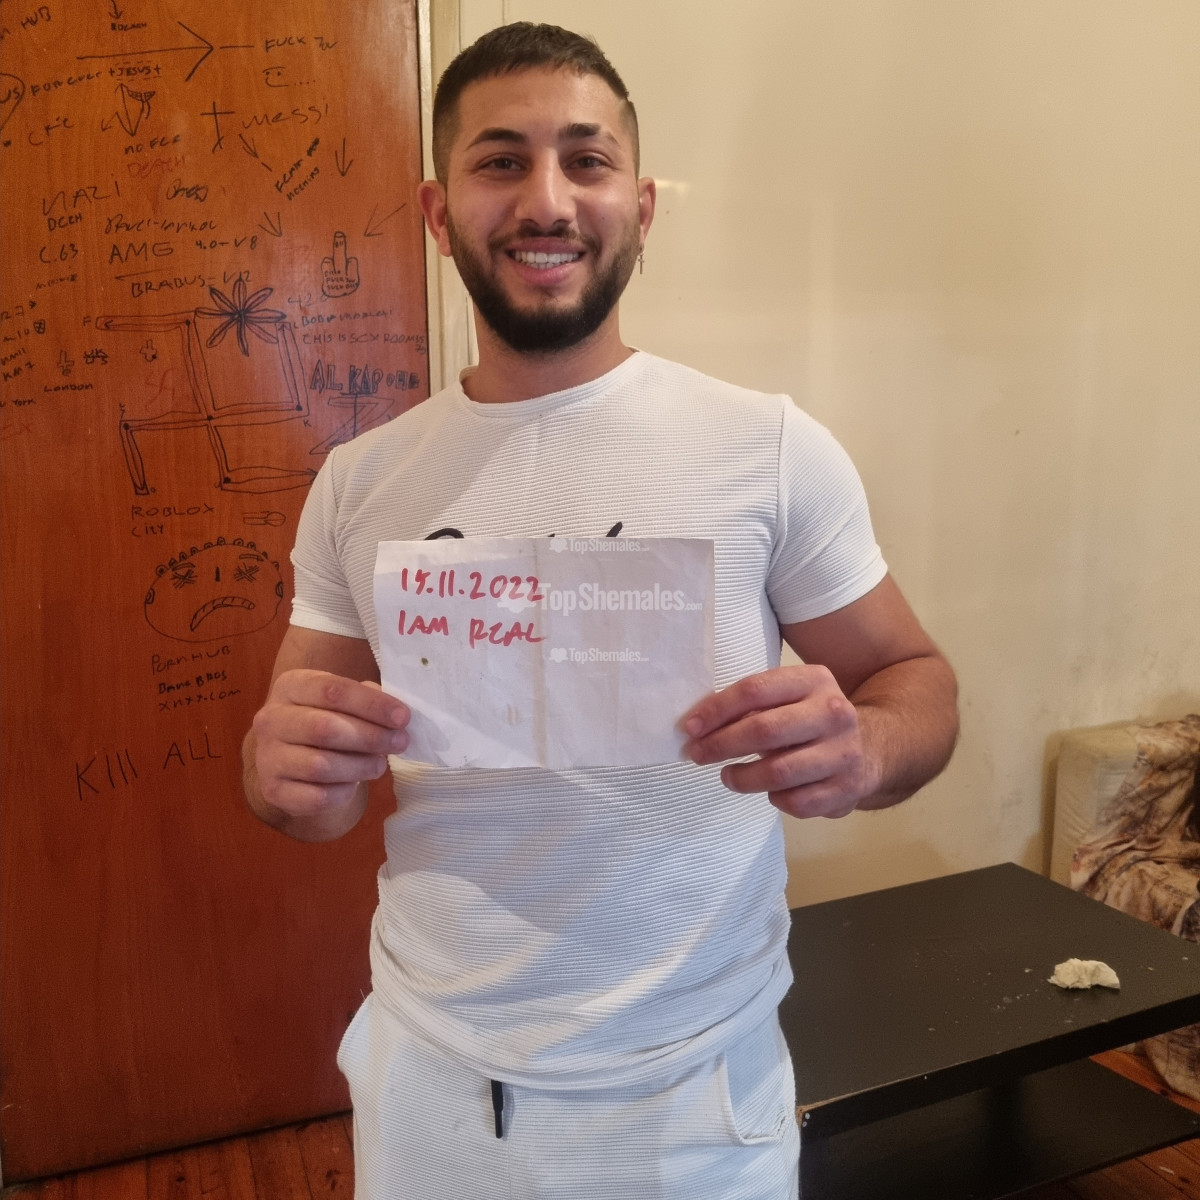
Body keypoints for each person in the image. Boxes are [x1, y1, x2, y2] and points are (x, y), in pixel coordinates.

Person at [242, 21, 958, 1200]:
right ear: (438, 213)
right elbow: (305, 787)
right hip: (434, 1086)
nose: (546, 199)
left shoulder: (769, 449)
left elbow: (916, 681)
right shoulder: (360, 484)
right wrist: (282, 775)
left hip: (695, 1099)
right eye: (500, 160)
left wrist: (869, 745)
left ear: (641, 203)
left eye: (586, 159)